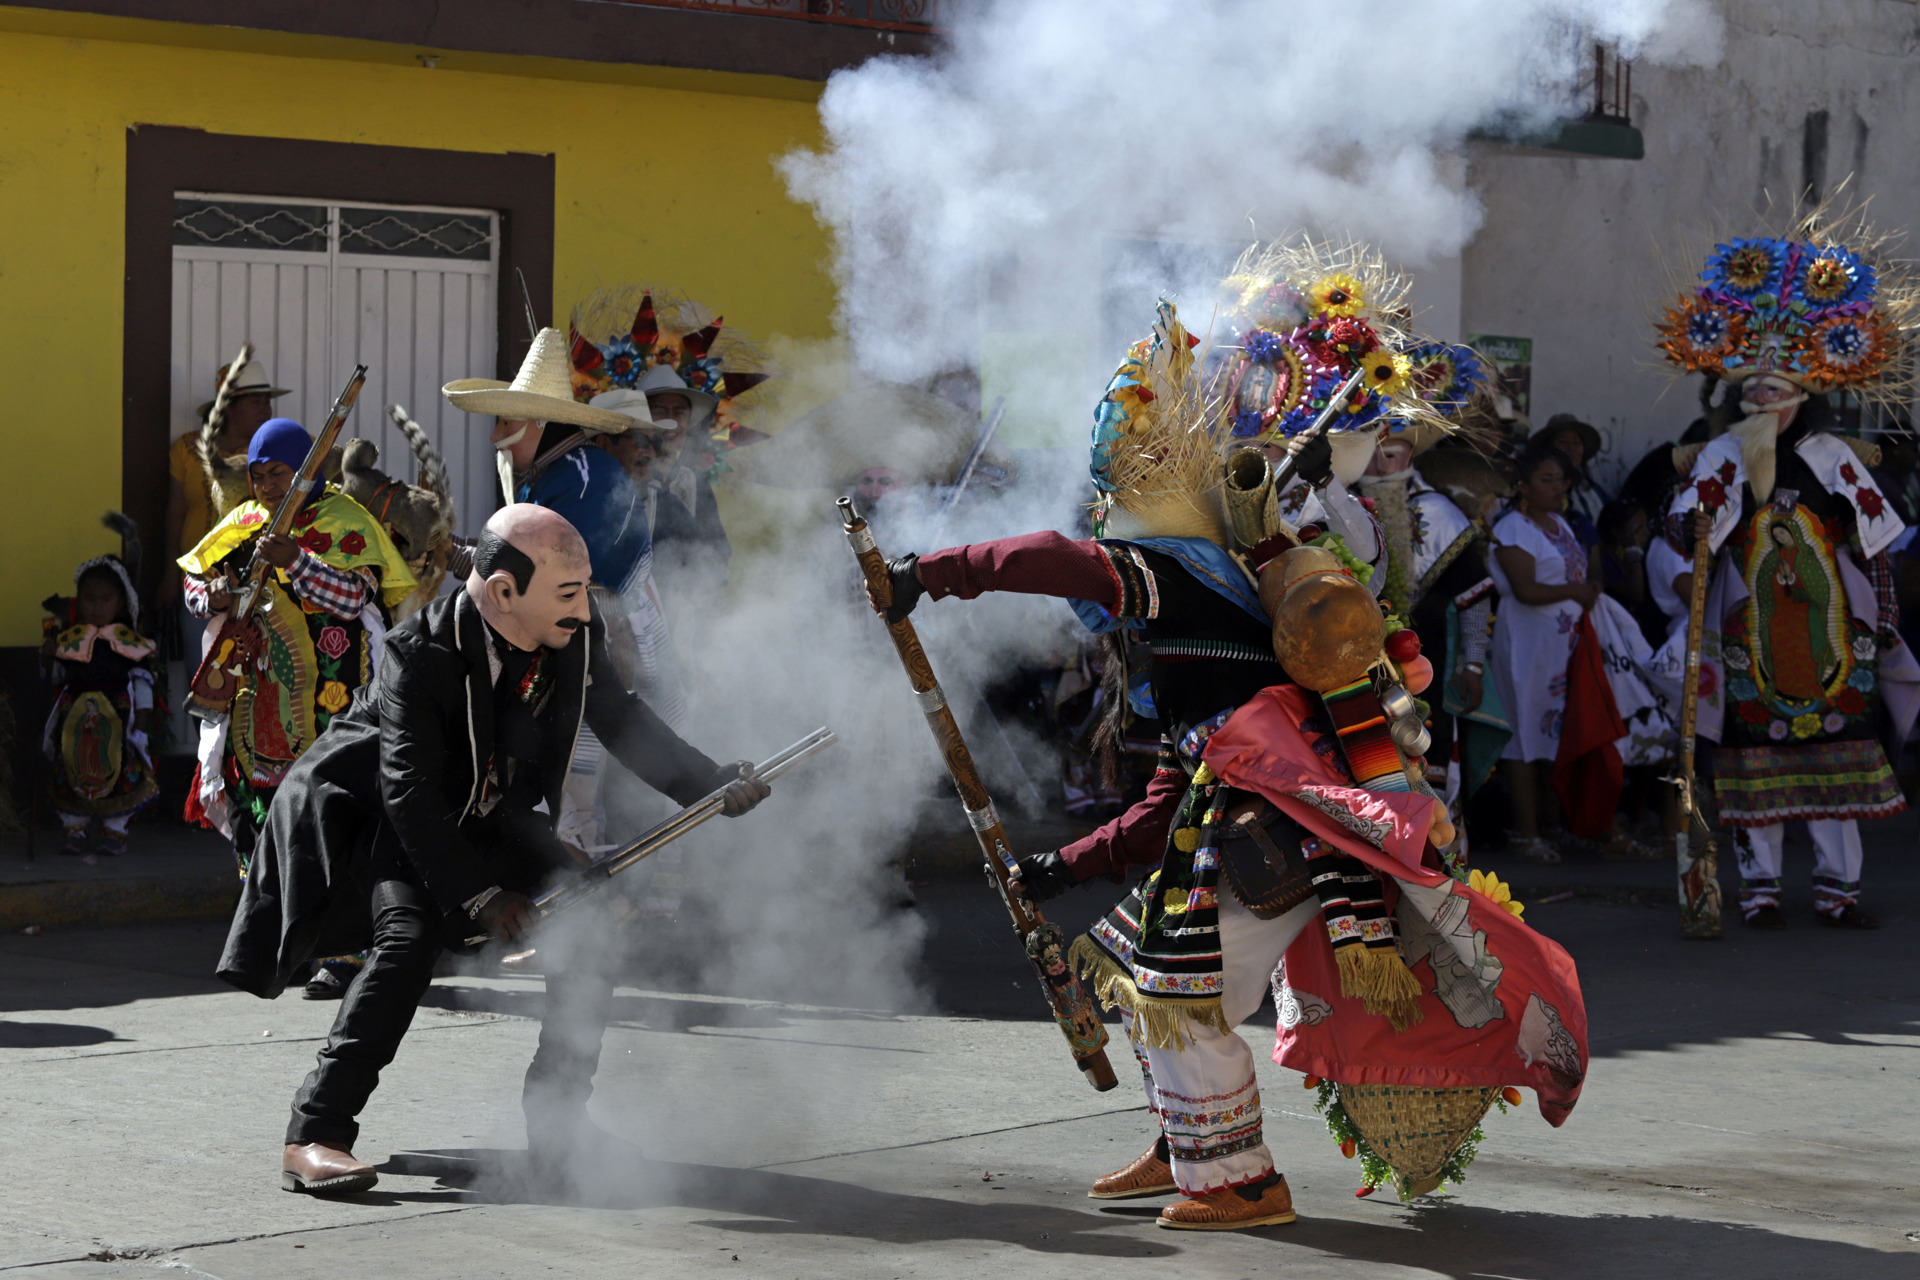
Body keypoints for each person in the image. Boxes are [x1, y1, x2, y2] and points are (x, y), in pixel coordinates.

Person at [215, 504, 769, 1195]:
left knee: (591, 927)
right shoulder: (417, 655)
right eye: (567, 591)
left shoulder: (575, 634)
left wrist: (710, 785)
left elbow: (626, 724)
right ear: (505, 593)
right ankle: (316, 1134)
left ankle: (559, 1132)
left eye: (585, 588)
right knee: (408, 943)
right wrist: (481, 896)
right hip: (398, 827)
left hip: (491, 818)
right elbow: (409, 792)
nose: (584, 605)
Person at [1655, 219, 1920, 928]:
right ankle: (1761, 887)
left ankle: (1839, 888)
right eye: (1752, 394)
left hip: (1833, 634)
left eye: (1775, 393)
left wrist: (1884, 619)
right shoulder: (1718, 457)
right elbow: (1681, 528)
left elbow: (1877, 543)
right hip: (1749, 636)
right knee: (1748, 764)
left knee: (1838, 758)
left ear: (1805, 395)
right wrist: (1700, 523)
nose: (1761, 403)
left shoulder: (1836, 457)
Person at [179, 418, 418, 994]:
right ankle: (271, 944)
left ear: (306, 471)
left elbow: (356, 595)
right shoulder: (244, 523)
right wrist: (207, 593)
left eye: (278, 473)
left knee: (336, 814)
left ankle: (345, 953)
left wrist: (297, 561)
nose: (264, 485)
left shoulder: (342, 520)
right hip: (259, 699)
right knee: (262, 813)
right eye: (257, 475)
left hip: (334, 696)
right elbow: (193, 583)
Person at [446, 328, 683, 858]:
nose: (495, 437)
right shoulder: (560, 473)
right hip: (578, 629)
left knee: (595, 777)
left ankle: (639, 908)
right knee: (577, 781)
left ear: (536, 421)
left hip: (607, 630)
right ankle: (592, 905)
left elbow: (546, 573)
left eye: (505, 422)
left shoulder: (580, 476)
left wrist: (467, 559)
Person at [1488, 445, 1599, 863]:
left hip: (1560, 646)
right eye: (1546, 480)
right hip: (1526, 645)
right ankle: (1526, 831)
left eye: (1561, 480)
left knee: (1554, 732)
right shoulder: (1513, 528)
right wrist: (1575, 592)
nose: (1557, 488)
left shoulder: (1559, 524)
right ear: (1523, 488)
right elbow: (1526, 590)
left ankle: (1553, 824)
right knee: (1524, 734)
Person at [41, 515, 158, 856]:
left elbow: (142, 681)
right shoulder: (69, 639)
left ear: (120, 602)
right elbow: (55, 678)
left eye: (104, 599)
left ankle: (114, 829)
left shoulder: (130, 643)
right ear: (79, 599)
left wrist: (144, 717)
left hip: (116, 720)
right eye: (89, 598)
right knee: (72, 766)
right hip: (74, 719)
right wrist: (48, 657)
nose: (96, 605)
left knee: (116, 768)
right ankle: (73, 827)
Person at [163, 358, 291, 604]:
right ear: (228, 408)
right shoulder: (188, 448)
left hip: (256, 577)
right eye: (256, 402)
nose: (266, 409)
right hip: (198, 579)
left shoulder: (276, 453)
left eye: (267, 402)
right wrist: (170, 572)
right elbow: (175, 513)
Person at [1535, 414, 1609, 550]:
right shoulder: (1536, 491)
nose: (1571, 448)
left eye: (1576, 443)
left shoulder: (1594, 492)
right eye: (1563, 442)